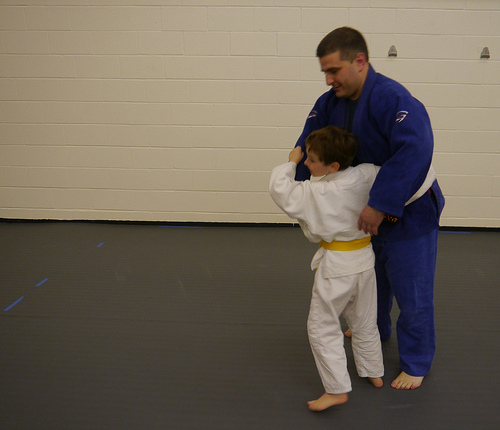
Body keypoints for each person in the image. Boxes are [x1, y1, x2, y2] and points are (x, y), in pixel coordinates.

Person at [293, 27, 445, 390]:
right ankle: (373, 329)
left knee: (412, 290)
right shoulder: (330, 102)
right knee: (371, 279)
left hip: (409, 208)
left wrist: (380, 205)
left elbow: (415, 151)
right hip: (361, 210)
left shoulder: (394, 99)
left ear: (359, 61)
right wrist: (295, 180)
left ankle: (416, 362)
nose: (328, 80)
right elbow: (310, 142)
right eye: (325, 72)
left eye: (334, 71)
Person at [269, 126, 384, 412]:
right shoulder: (367, 174)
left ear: (332, 166)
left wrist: (291, 162)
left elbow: (279, 188)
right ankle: (373, 370)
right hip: (364, 259)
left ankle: (336, 389)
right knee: (364, 318)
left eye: (312, 159)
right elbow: (396, 176)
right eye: (306, 157)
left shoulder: (317, 191)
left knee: (322, 327)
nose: (307, 163)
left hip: (337, 266)